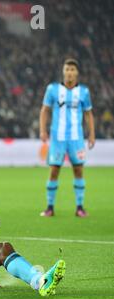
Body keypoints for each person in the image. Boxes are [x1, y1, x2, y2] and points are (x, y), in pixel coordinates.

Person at [39, 59, 95, 218]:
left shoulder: (83, 91)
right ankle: (50, 208)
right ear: (63, 71)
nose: (70, 72)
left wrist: (92, 134)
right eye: (67, 69)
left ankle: (80, 207)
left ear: (76, 73)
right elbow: (44, 110)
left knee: (78, 170)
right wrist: (42, 130)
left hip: (76, 138)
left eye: (72, 69)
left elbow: (88, 114)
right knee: (54, 171)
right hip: (58, 138)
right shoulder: (53, 89)